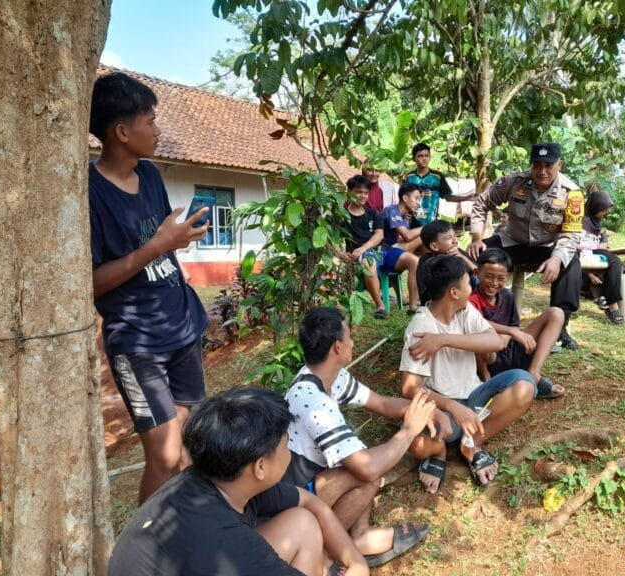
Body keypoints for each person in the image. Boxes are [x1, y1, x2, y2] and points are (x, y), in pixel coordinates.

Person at [89, 72, 210, 503]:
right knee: (165, 455)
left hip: (182, 324)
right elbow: (91, 282)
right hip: (138, 341)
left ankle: (181, 527)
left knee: (182, 443)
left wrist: (173, 242)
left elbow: (161, 241)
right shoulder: (89, 192)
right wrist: (157, 246)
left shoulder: (151, 175)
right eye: (151, 121)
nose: (158, 130)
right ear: (122, 132)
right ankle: (145, 539)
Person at [108, 387, 369, 576]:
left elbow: (310, 501)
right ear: (260, 467)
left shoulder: (223, 476)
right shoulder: (231, 546)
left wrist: (356, 562)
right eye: (286, 445)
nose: (289, 452)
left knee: (302, 523)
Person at [283, 307, 438, 567]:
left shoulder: (330, 377)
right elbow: (368, 469)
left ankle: (359, 535)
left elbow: (382, 404)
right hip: (294, 502)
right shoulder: (312, 400)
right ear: (337, 347)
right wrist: (409, 430)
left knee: (362, 458)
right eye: (349, 337)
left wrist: (425, 408)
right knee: (367, 471)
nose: (353, 343)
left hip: (314, 483)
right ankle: (325, 555)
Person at [400, 256, 536, 494]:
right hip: (443, 410)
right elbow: (410, 388)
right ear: (454, 292)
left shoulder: (465, 311)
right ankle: (439, 452)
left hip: (475, 396)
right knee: (416, 444)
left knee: (524, 384)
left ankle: (471, 444)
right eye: (468, 284)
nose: (472, 289)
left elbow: (495, 342)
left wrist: (444, 340)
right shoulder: (420, 328)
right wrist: (452, 406)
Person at [466, 142, 584, 350]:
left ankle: (560, 326)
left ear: (559, 165)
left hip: (548, 247)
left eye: (548, 166)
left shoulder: (572, 193)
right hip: (512, 241)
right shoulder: (514, 181)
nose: (542, 171)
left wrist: (557, 258)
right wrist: (477, 237)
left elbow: (571, 234)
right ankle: (471, 314)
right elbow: (481, 203)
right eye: (537, 165)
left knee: (570, 263)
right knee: (473, 257)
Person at [469, 248, 566, 398]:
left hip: (510, 348)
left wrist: (508, 335)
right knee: (481, 339)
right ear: (477, 273)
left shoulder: (506, 295)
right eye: (489, 276)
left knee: (556, 313)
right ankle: (486, 380)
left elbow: (514, 325)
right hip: (489, 358)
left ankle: (533, 373)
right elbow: (474, 322)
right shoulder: (471, 299)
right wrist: (510, 332)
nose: (494, 283)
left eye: (500, 278)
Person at [580, 190, 625, 323]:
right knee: (615, 262)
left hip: (596, 252)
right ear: (595, 207)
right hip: (586, 254)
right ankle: (613, 307)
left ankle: (624, 308)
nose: (605, 213)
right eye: (603, 210)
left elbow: (597, 240)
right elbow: (577, 244)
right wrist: (597, 246)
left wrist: (603, 241)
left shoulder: (596, 222)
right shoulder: (583, 222)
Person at [341, 174, 387, 319]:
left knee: (368, 261)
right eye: (358, 192)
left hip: (373, 253)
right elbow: (332, 238)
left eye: (366, 193)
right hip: (350, 257)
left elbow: (379, 235)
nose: (363, 196)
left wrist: (363, 248)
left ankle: (380, 306)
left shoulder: (373, 213)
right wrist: (340, 253)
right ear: (349, 192)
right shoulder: (341, 215)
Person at [380, 182, 424, 311]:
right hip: (382, 253)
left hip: (393, 250)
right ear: (405, 198)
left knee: (426, 252)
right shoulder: (392, 210)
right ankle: (413, 304)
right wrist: (426, 228)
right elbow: (408, 236)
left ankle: (421, 297)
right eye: (416, 198)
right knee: (423, 239)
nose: (418, 203)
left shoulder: (406, 217)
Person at [403, 143, 468, 225]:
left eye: (426, 156)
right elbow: (403, 199)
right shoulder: (409, 177)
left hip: (431, 223)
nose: (424, 159)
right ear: (414, 159)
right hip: (411, 223)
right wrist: (404, 211)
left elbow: (448, 197)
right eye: (420, 156)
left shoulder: (437, 176)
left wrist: (468, 197)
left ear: (430, 157)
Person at [416, 219, 477, 304]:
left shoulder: (459, 253)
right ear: (434, 247)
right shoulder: (426, 261)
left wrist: (463, 258)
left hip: (467, 300)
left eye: (455, 236)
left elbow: (479, 274)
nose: (455, 241)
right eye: (448, 238)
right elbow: (426, 294)